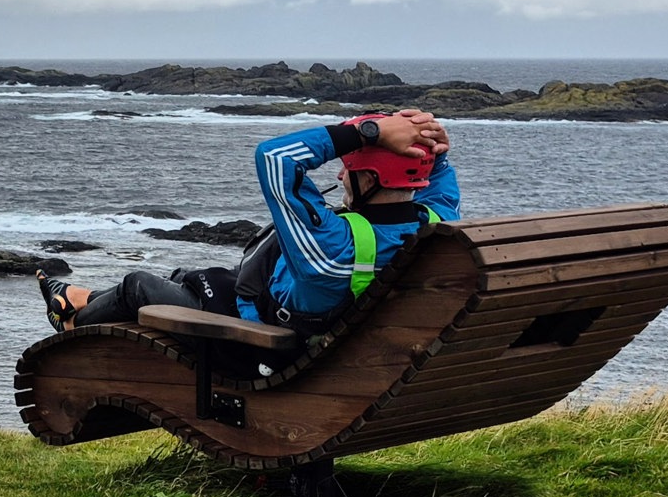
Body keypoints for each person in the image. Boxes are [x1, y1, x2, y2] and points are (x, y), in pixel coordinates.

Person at [39, 109, 459, 333]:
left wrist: (368, 132)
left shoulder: (335, 249)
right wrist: (424, 135)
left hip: (251, 332)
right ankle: (80, 295)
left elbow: (275, 158)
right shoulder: (433, 220)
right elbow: (436, 174)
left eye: (348, 168)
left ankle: (72, 319)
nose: (337, 173)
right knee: (186, 276)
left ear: (369, 178)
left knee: (138, 286)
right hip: (263, 299)